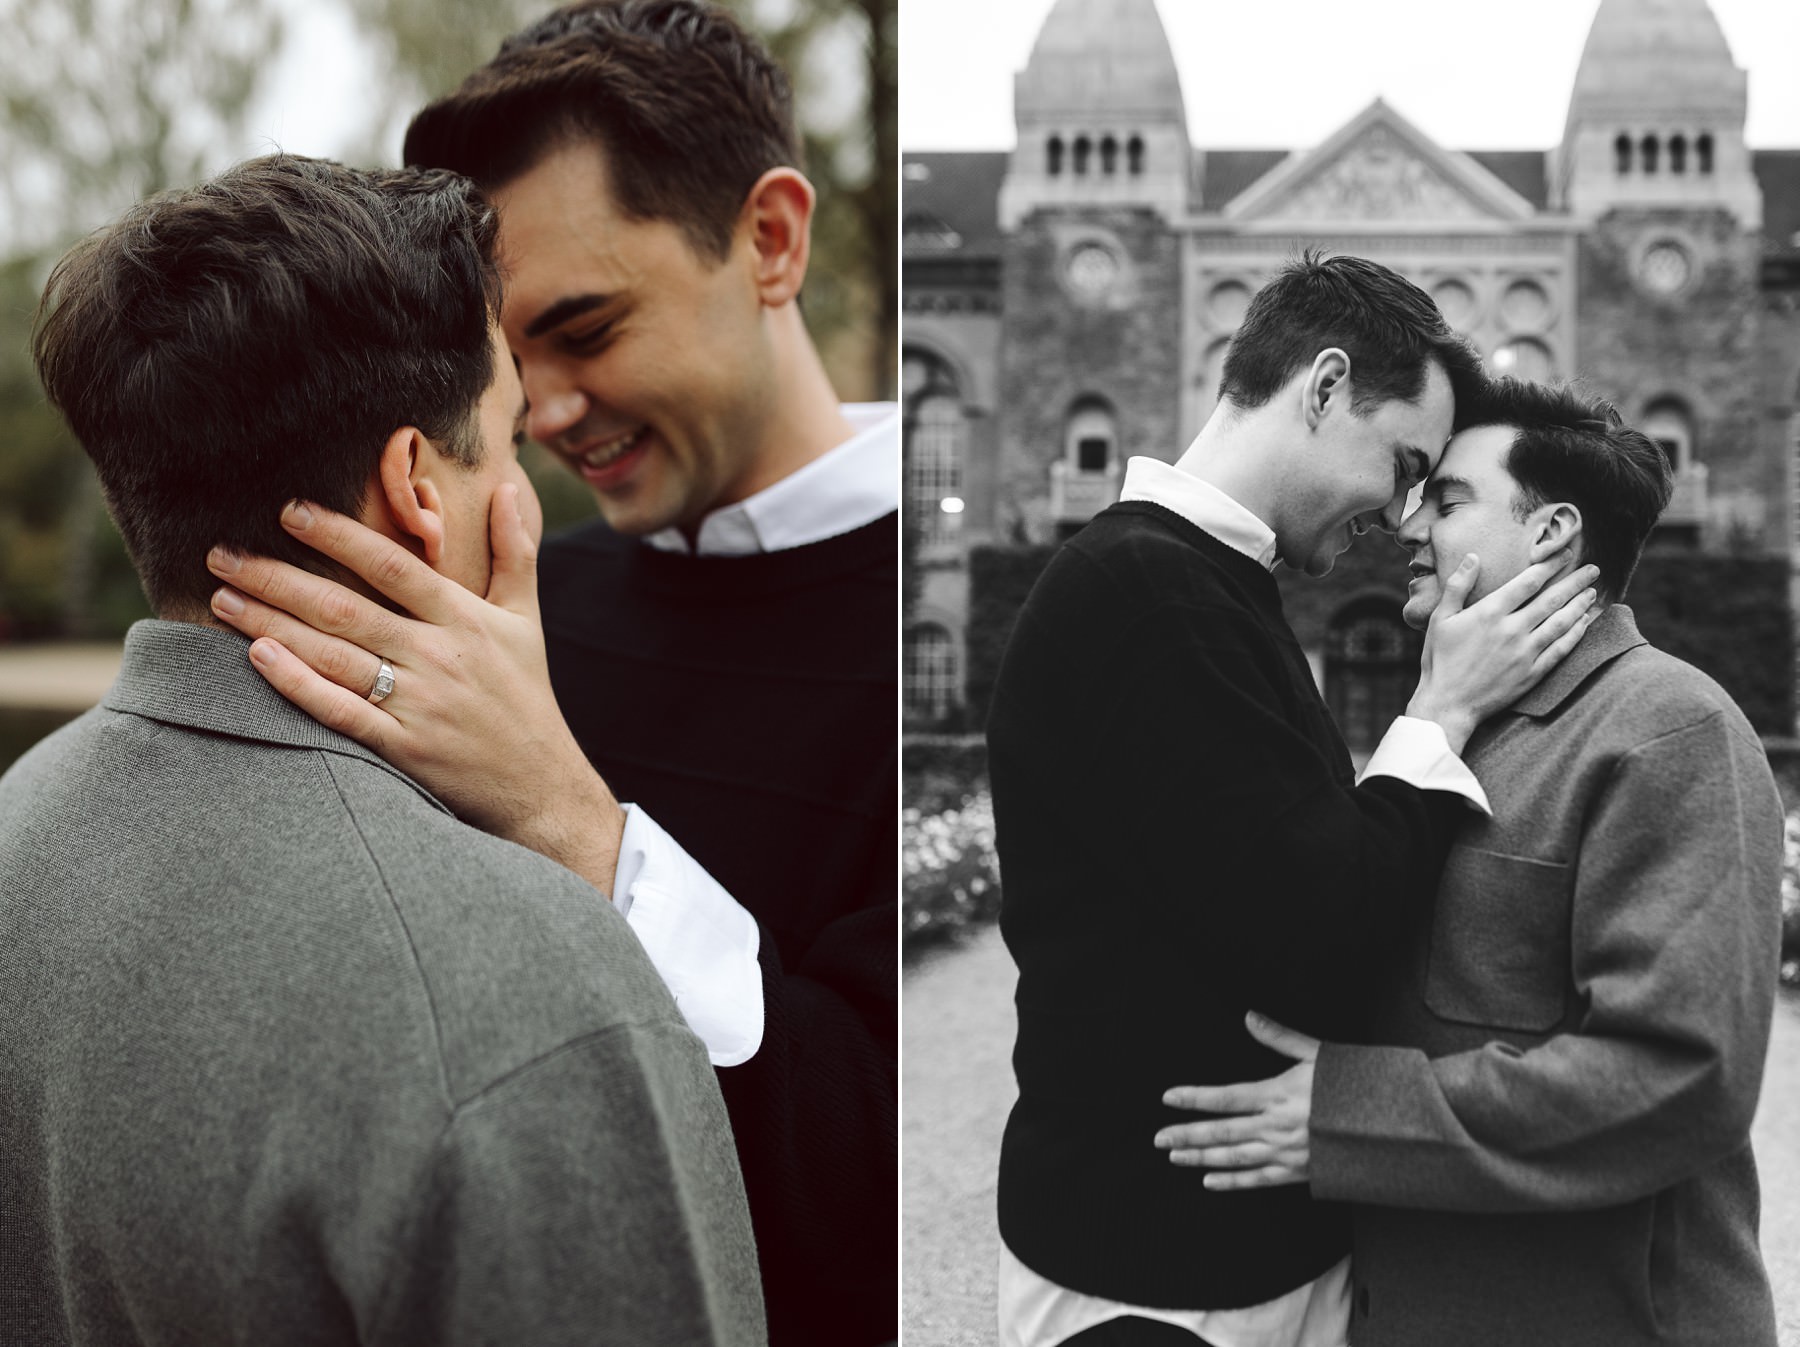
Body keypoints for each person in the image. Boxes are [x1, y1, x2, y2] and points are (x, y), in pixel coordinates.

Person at [200, 3, 896, 1340]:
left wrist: (568, 819)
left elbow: (890, 1164)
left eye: (589, 327)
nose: (550, 411)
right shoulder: (488, 620)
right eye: (515, 361)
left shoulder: (966, 615)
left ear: (771, 240)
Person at [2, 155, 763, 1346]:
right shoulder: (535, 986)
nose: (520, 483)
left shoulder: (16, 829)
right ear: (416, 487)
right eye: (506, 440)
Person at [985, 254, 1603, 1347]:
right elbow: (1316, 933)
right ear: (1321, 389)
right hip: (1158, 1273)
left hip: (1218, 1254)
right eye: (1405, 463)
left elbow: (1274, 866)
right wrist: (1442, 710)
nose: (1404, 512)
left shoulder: (1202, 583)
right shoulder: (1148, 592)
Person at [1157, 378, 1783, 1346]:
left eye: (1448, 502)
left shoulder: (1669, 729)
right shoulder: (1450, 726)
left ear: (1552, 532)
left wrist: (1348, 1119)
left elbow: (1679, 1075)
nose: (1409, 523)